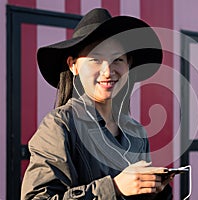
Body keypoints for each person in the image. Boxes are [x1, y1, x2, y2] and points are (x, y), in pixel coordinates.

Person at [21, 8, 173, 199]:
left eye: (117, 59)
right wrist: (114, 188)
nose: (108, 71)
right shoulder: (60, 125)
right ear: (73, 65)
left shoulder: (136, 132)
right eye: (95, 59)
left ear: (128, 65)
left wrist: (155, 190)